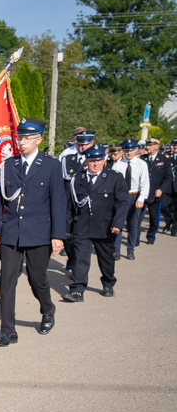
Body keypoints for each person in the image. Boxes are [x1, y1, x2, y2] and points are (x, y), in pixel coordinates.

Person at [0, 117, 66, 347]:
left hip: (39, 233)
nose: (21, 142)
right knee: (7, 281)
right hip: (11, 233)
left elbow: (58, 202)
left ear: (39, 140)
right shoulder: (8, 165)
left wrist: (58, 235)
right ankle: (8, 331)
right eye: (19, 137)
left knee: (37, 279)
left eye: (26, 138)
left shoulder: (51, 165)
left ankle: (47, 308)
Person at [62, 145, 130, 302]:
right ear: (87, 161)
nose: (96, 164)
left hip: (105, 227)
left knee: (106, 259)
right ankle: (77, 289)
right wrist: (69, 226)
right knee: (80, 258)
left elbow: (122, 202)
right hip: (82, 225)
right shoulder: (77, 178)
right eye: (92, 160)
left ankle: (108, 283)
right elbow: (70, 205)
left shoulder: (115, 177)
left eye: (99, 160)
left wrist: (118, 223)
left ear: (104, 160)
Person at [59, 129, 95, 272]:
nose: (83, 147)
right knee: (68, 236)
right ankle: (71, 257)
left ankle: (78, 270)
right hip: (68, 204)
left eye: (86, 144)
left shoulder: (96, 161)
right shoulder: (68, 158)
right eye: (80, 144)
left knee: (82, 240)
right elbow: (60, 181)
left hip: (87, 206)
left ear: (92, 143)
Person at [111, 140, 149, 261]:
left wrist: (141, 198)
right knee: (118, 223)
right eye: (126, 150)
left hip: (134, 195)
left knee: (133, 224)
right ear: (123, 151)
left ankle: (130, 249)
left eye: (131, 150)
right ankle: (116, 250)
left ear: (136, 150)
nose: (128, 152)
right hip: (121, 196)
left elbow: (144, 183)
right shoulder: (118, 164)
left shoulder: (141, 164)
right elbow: (112, 182)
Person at [142, 137, 173, 244]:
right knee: (136, 218)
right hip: (142, 193)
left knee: (154, 218)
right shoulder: (142, 158)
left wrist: (161, 189)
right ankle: (135, 238)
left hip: (156, 193)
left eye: (150, 145)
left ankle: (151, 236)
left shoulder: (164, 159)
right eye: (147, 145)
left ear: (157, 146)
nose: (147, 147)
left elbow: (168, 177)